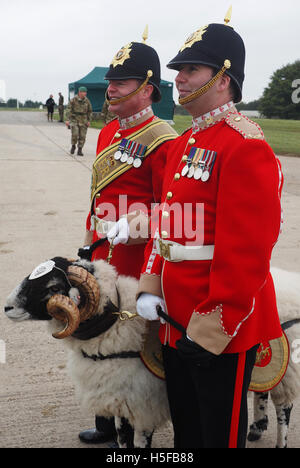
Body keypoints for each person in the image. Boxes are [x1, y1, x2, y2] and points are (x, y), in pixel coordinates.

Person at [133, 11, 284, 448]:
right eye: (178, 69)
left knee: (217, 436)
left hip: (218, 321)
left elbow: (248, 251)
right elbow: (167, 220)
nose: (178, 78)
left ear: (223, 77)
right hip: (174, 315)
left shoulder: (245, 145)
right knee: (187, 431)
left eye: (191, 69)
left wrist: (217, 322)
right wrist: (150, 285)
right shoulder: (185, 142)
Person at [78, 38, 177, 445]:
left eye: (121, 82)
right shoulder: (108, 133)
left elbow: (169, 211)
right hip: (102, 256)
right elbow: (97, 196)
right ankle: (106, 420)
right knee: (98, 340)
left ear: (148, 89)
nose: (111, 88)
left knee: (132, 356)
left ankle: (138, 430)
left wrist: (131, 225)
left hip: (136, 263)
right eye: (111, 80)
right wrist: (86, 244)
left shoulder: (165, 139)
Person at [65, 86, 92, 156]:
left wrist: (89, 120)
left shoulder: (87, 101)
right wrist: (67, 120)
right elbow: (68, 110)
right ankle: (73, 145)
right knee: (75, 134)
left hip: (84, 120)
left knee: (82, 136)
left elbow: (90, 111)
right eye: (83, 92)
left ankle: (80, 149)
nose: (85, 93)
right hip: (74, 119)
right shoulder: (73, 100)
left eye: (85, 92)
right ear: (79, 92)